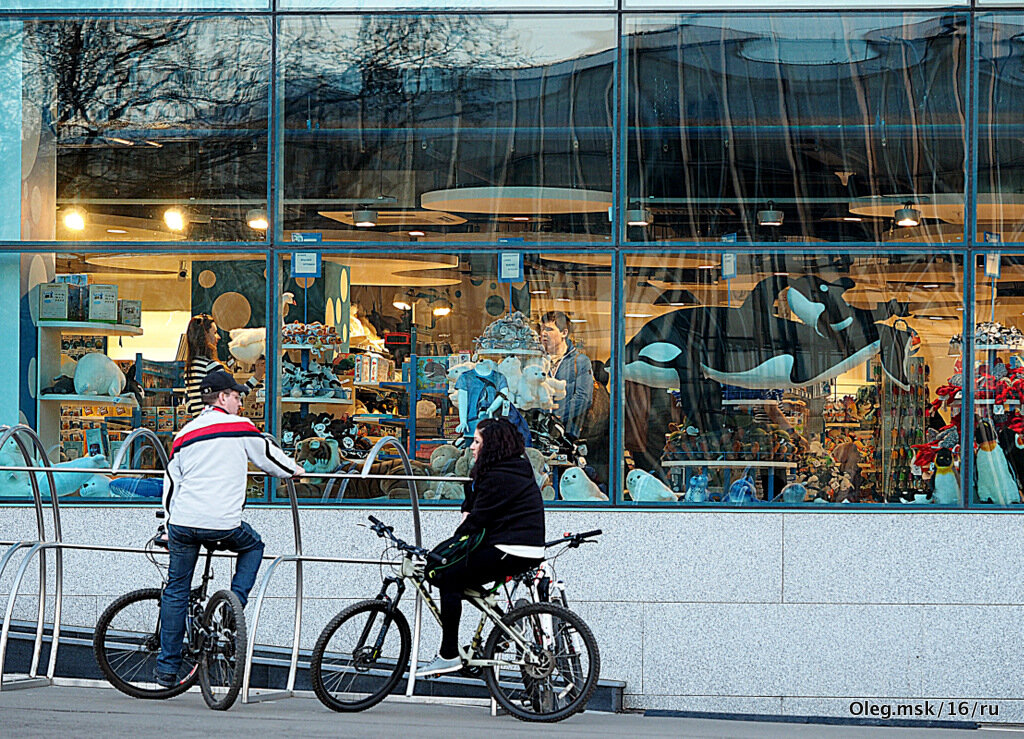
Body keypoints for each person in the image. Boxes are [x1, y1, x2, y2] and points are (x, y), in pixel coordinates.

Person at [155, 370, 303, 688]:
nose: (240, 403)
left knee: (177, 590)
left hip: (182, 523)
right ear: (222, 398)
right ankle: (230, 608)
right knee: (253, 546)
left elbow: (171, 483)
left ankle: (167, 669)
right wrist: (294, 470)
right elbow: (267, 458)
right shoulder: (239, 427)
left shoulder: (185, 433)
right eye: (237, 397)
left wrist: (168, 525)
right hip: (222, 524)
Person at [418, 418, 545, 676]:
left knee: (447, 574)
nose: (472, 447)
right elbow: (474, 502)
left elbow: (479, 519)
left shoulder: (499, 475)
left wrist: (448, 546)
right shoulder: (511, 467)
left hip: (510, 548)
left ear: (492, 444)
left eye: (477, 441)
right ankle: (508, 623)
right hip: (519, 548)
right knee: (458, 572)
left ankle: (448, 654)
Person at [183, 313, 263, 416]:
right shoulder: (211, 366)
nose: (218, 337)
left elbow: (189, 406)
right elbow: (234, 396)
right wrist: (257, 376)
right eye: (215, 332)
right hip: (215, 423)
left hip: (201, 424)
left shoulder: (190, 368)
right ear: (205, 336)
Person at [538, 311, 594, 438]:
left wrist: (556, 416)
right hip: (539, 430)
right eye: (541, 329)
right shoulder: (537, 361)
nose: (543, 333)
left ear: (564, 333)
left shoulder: (580, 361)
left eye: (549, 329)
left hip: (567, 432)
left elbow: (583, 397)